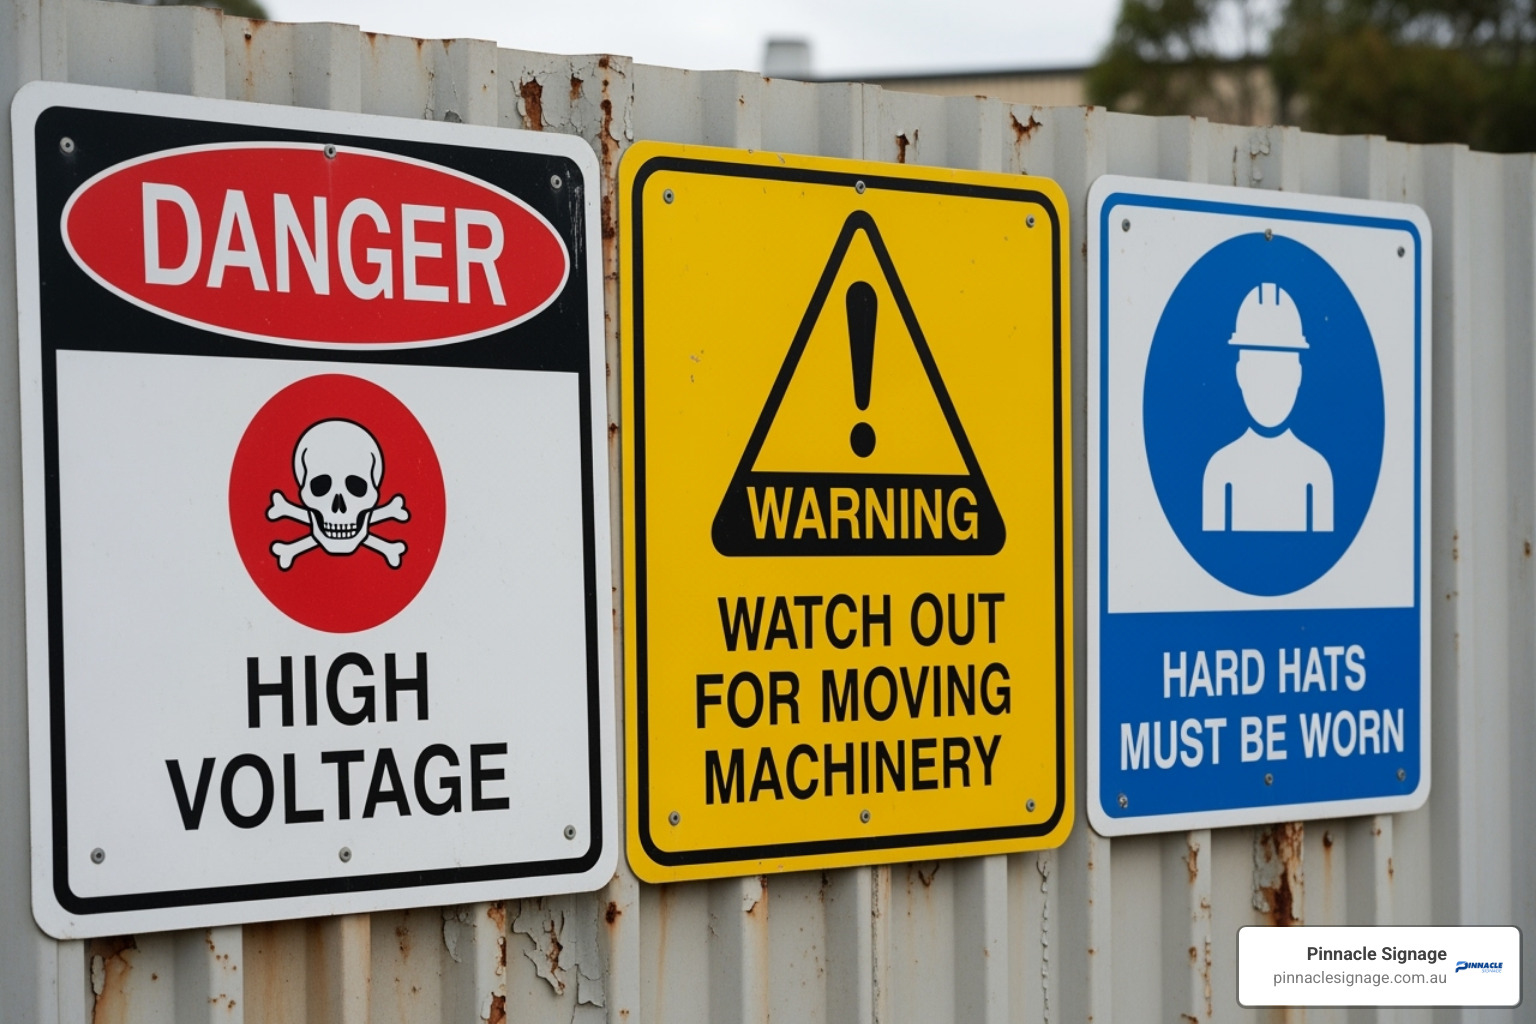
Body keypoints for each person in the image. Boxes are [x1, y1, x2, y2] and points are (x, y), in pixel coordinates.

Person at [1201, 283, 1332, 533]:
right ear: (1240, 374)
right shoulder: (1220, 471)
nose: (1270, 384)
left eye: (1280, 369)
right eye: (1259, 368)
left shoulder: (1316, 474)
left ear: (1298, 375)